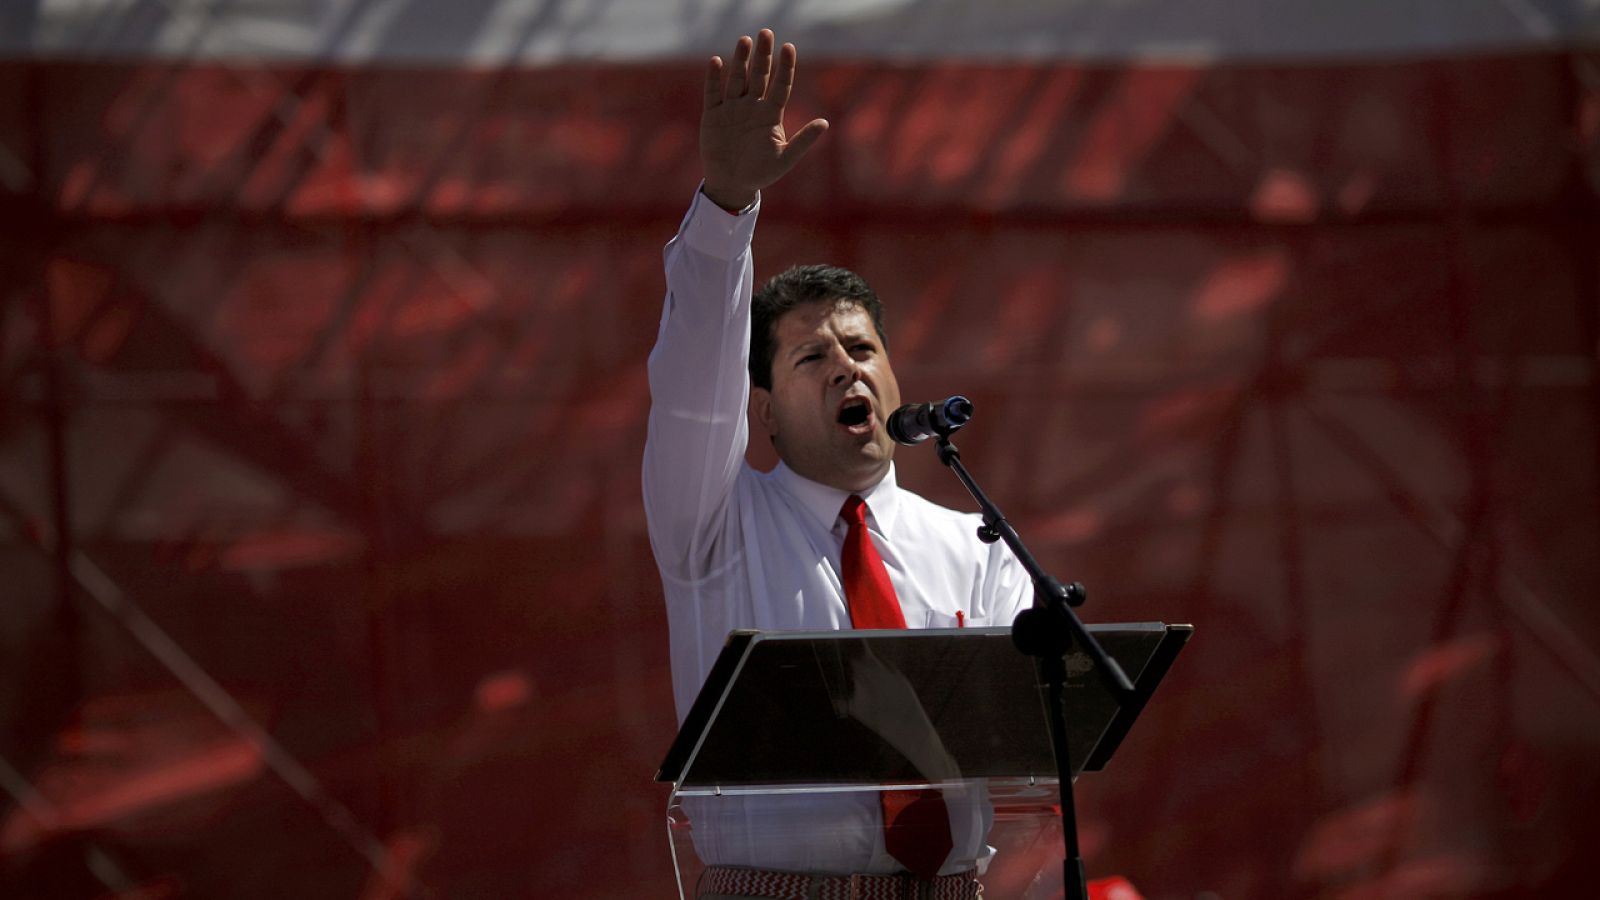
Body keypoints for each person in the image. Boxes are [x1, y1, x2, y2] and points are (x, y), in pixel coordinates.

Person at [643, 28, 1032, 899]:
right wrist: (726, 204)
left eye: (862, 349)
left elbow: (1038, 729)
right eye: (811, 359)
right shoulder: (715, 525)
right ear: (764, 411)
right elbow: (693, 379)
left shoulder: (976, 542)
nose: (847, 367)